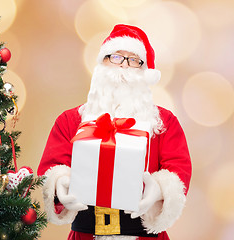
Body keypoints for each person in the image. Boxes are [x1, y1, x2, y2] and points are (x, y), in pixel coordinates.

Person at [37, 24, 192, 240]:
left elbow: (178, 169)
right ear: (102, 63)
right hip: (86, 233)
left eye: (134, 60)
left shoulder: (164, 123)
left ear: (145, 71)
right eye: (116, 57)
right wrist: (60, 183)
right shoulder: (70, 121)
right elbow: (51, 167)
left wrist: (158, 189)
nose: (124, 66)